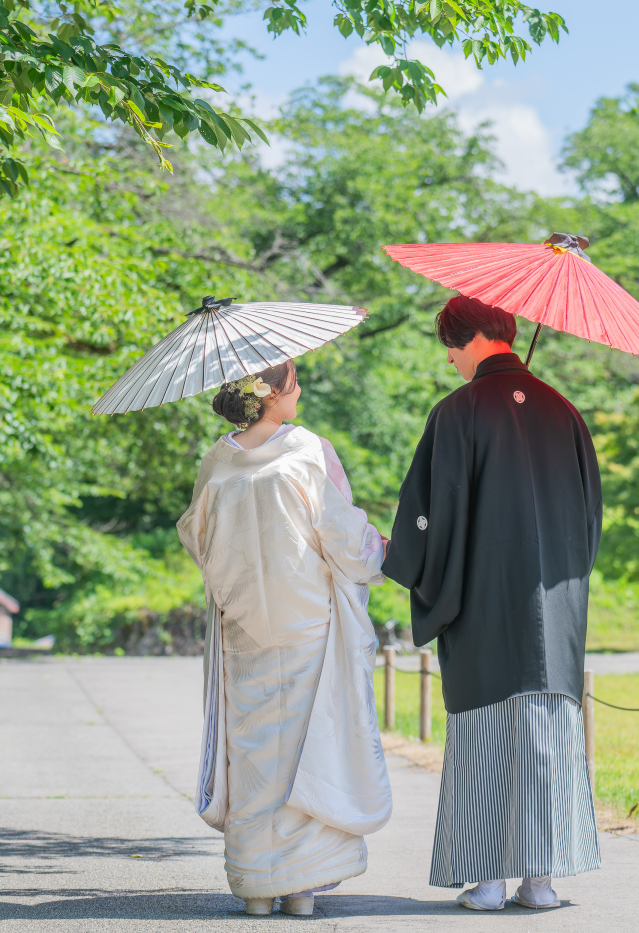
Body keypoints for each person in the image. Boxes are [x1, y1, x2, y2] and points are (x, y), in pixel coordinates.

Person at [382, 295, 602, 912]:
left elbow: (434, 515)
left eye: (449, 346)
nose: (449, 359)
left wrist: (405, 564)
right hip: (554, 607)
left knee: (485, 736)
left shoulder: (457, 412)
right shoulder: (564, 411)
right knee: (546, 733)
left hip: (482, 604)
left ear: (472, 338)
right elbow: (590, 520)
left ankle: (485, 881)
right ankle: (541, 881)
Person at [178, 360, 391, 918]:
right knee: (308, 745)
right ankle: (302, 889)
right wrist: (386, 553)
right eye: (294, 382)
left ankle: (255, 887)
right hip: (308, 625)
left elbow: (198, 537)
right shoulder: (308, 450)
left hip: (244, 626)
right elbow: (344, 538)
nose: (301, 390)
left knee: (254, 752)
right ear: (271, 393)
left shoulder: (218, 457)